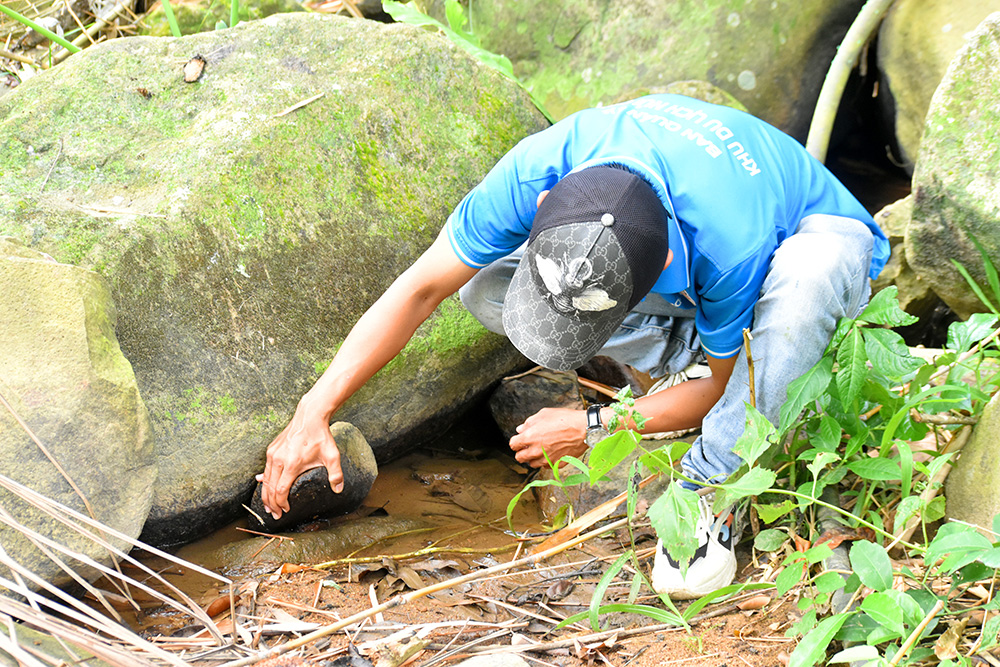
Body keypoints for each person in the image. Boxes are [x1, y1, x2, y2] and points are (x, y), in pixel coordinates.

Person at [258, 93, 889, 599]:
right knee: (481, 284)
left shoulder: (732, 246)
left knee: (806, 282)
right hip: (684, 265)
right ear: (541, 208)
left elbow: (732, 387)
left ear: (664, 261)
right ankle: (683, 360)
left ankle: (712, 487)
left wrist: (594, 425)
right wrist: (313, 410)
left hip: (811, 251)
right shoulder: (539, 166)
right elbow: (422, 288)